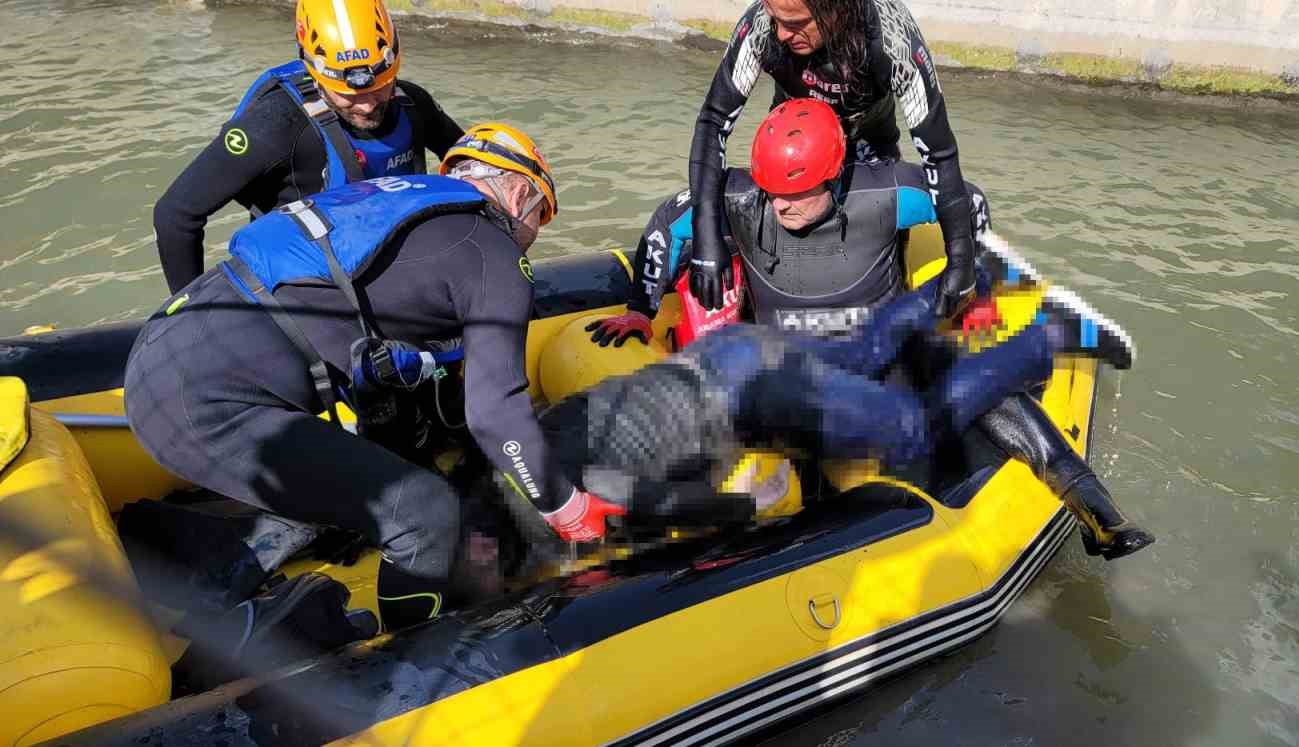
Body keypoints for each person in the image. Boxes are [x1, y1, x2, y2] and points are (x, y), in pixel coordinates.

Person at [595, 102, 1155, 559]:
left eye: (799, 191)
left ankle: (1094, 510)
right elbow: (669, 219)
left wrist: (971, 282)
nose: (783, 205)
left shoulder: (886, 194)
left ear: (835, 174)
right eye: (774, 190)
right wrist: (642, 307)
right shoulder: (743, 198)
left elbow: (969, 199)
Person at [126, 123, 564, 634]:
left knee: (353, 487)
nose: (534, 237)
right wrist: (566, 505)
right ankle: (415, 665)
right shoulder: (493, 247)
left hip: (164, 350)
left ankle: (189, 556)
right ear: (518, 192)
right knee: (426, 513)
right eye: (541, 217)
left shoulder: (396, 205)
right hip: (208, 402)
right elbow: (496, 414)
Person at [540, 272, 1119, 544]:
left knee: (913, 429)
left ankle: (1045, 338)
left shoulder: (571, 496)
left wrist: (746, 508)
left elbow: (678, 505)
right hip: (728, 353)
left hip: (754, 397)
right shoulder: (532, 433)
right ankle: (967, 277)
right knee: (864, 351)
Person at [685, 0, 979, 323]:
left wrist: (961, 259)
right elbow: (713, 122)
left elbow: (938, 153)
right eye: (776, 20)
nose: (781, 34)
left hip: (869, 151)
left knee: (875, 254)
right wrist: (706, 234)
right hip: (794, 148)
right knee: (783, 238)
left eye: (795, 24)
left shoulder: (893, 38)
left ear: (836, 9)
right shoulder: (761, 26)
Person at [153, 0, 464, 294]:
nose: (368, 105)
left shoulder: (412, 105)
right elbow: (175, 215)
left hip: (397, 273)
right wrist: (188, 310)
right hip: (309, 292)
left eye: (380, 86)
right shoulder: (274, 125)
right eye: (349, 95)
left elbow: (472, 160)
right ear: (316, 74)